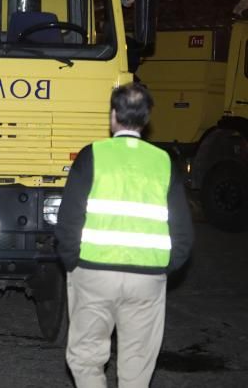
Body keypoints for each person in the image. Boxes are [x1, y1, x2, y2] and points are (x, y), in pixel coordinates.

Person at [55, 82, 194, 388]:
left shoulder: (92, 156)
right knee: (137, 365)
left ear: (113, 115)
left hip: (92, 273)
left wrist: (72, 261)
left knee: (86, 358)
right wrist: (163, 268)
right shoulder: (164, 163)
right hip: (147, 280)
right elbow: (183, 231)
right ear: (146, 120)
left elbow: (68, 219)